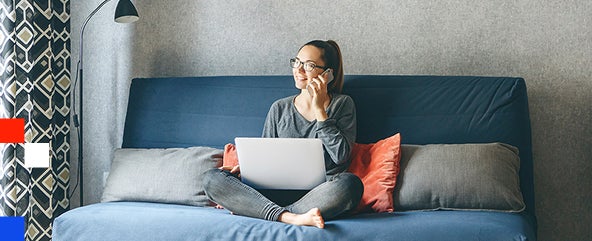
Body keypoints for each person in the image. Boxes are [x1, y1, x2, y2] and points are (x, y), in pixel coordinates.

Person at [203, 40, 363, 229]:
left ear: (328, 74)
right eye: (297, 62)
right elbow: (266, 157)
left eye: (309, 65)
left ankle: (266, 212)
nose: (299, 70)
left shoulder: (343, 104)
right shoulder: (279, 108)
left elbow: (341, 156)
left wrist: (320, 110)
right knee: (211, 178)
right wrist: (246, 169)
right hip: (274, 191)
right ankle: (292, 218)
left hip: (319, 194)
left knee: (351, 184)